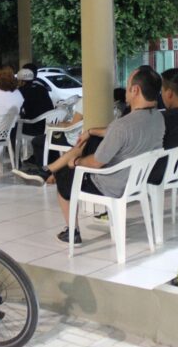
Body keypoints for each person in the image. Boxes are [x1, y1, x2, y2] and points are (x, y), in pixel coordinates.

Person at [38, 66, 165, 245]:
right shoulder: (158, 118)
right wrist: (91, 131)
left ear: (135, 90)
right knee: (92, 141)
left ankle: (72, 231)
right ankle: (48, 170)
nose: (125, 90)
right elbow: (118, 134)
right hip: (138, 181)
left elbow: (96, 163)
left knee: (64, 175)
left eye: (128, 86)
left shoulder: (123, 125)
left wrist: (76, 162)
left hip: (111, 184)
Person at [16, 68, 54, 136]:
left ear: (22, 81)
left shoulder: (21, 91)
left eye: (18, 81)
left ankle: (13, 143)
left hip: (33, 126)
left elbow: (18, 109)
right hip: (48, 124)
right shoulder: (42, 88)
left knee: (13, 125)